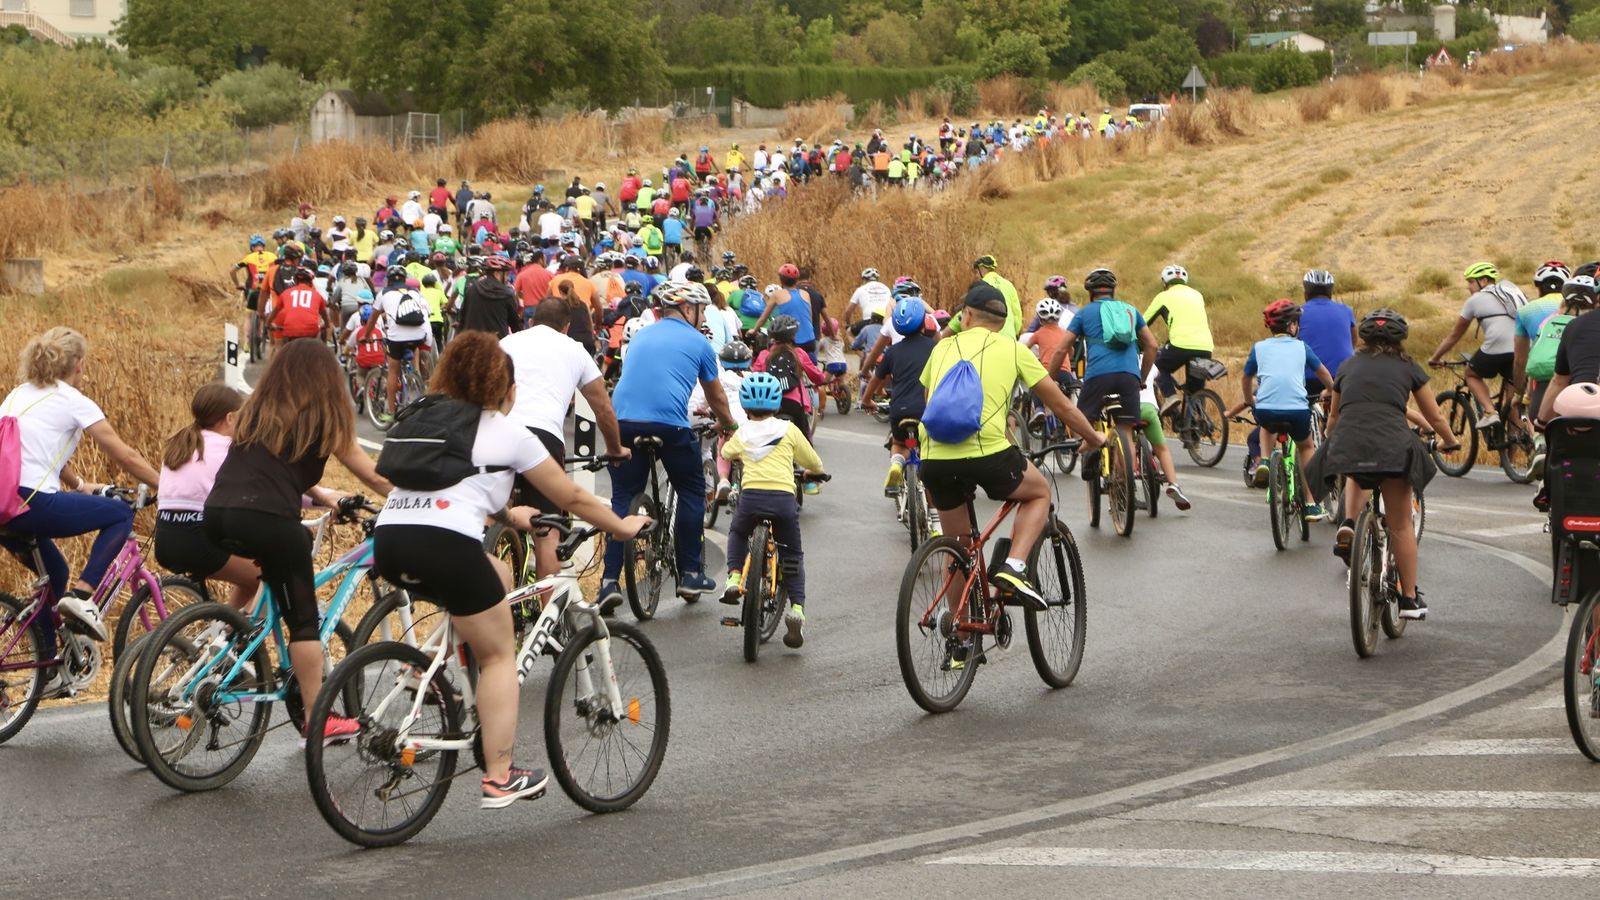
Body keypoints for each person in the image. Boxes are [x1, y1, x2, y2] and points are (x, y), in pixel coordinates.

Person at [373, 331, 648, 808]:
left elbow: (456, 487)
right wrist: (621, 528)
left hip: (392, 541)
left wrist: (505, 515)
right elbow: (574, 496)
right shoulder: (507, 431)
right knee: (501, 655)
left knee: (498, 575)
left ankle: (430, 672)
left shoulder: (428, 419)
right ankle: (499, 776)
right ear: (503, 386)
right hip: (446, 545)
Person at [204, 340, 392, 740]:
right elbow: (372, 476)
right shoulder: (325, 419)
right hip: (270, 519)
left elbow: (268, 469)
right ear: (327, 378)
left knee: (274, 578)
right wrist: (411, 498)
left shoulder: (254, 411)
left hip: (218, 511)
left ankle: (226, 651)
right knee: (303, 623)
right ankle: (316, 716)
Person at [921, 283, 1102, 611]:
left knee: (958, 549)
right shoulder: (1013, 349)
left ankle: (960, 641)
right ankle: (1014, 566)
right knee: (1039, 492)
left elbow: (929, 405)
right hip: (987, 453)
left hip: (934, 459)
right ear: (1003, 322)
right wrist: (1093, 437)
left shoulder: (940, 349)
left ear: (967, 315)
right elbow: (1061, 406)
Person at [0, 328, 163, 689]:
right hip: (31, 502)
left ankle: (46, 668)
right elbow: (123, 453)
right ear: (78, 364)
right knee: (120, 513)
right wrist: (164, 486)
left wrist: (78, 485)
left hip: (4, 508)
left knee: (54, 574)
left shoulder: (18, 395)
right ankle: (84, 596)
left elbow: (29, 452)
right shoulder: (73, 400)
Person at [1307, 310, 1460, 620]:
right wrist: (1450, 441)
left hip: (1349, 441)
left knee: (1356, 469)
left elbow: (1334, 418)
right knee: (1401, 524)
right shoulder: (1408, 367)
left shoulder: (1347, 366)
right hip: (1392, 445)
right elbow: (1435, 417)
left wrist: (1330, 437)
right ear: (1400, 339)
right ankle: (1408, 599)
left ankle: (1349, 522)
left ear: (1363, 337)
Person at [598, 281, 738, 609]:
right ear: (689, 309)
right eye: (701, 310)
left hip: (624, 424)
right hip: (670, 426)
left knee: (622, 500)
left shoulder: (643, 334)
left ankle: (608, 584)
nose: (701, 316)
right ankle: (690, 574)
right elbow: (716, 395)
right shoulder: (699, 342)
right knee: (690, 490)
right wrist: (728, 424)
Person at [500, 296, 628, 578]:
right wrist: (615, 448)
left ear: (530, 322)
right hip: (543, 437)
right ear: (567, 327)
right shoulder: (575, 350)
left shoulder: (507, 343)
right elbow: (602, 407)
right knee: (547, 534)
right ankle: (549, 618)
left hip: (498, 432)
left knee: (492, 517)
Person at [719, 372, 824, 649]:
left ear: (744, 406)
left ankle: (734, 577)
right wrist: (815, 472)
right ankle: (797, 609)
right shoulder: (788, 430)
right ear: (777, 404)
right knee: (792, 553)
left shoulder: (743, 432)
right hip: (783, 500)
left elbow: (727, 453)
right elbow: (813, 460)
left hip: (751, 498)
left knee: (738, 532)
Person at [1046, 268, 1159, 484]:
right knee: (1125, 430)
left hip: (1098, 376)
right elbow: (1152, 345)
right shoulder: (1130, 310)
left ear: (1090, 292)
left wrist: (1049, 378)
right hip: (1129, 376)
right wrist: (1141, 379)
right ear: (1113, 291)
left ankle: (1093, 446)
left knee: (1082, 421)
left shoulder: (1084, 313)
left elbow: (1061, 350)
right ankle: (1123, 486)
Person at [1225, 300, 1335, 520]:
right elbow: (1323, 373)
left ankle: (1265, 461)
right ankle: (1312, 504)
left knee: (1265, 424)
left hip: (1267, 408)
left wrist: (1249, 400)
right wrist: (1331, 391)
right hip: (1296, 409)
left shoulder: (1259, 347)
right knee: (1306, 447)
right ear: (1292, 326)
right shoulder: (1302, 347)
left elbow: (1246, 377)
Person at [154, 384, 259, 612]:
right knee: (275, 575)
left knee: (251, 579)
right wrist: (326, 499)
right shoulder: (230, 449)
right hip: (198, 540)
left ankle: (227, 634)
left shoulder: (180, 443)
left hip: (165, 539)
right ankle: (242, 639)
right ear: (230, 418)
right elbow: (271, 488)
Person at [1428, 261, 1528, 430]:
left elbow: (1455, 335)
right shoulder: (1512, 294)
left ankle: (1489, 412)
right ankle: (1515, 450)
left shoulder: (1475, 300)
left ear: (1482, 281)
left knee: (1471, 374)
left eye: (1470, 281)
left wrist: (1435, 357)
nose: (1468, 287)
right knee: (1513, 407)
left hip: (1496, 348)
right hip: (1523, 350)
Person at [863, 297, 936, 495]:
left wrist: (866, 400)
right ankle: (935, 519)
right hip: (927, 411)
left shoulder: (893, 352)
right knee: (930, 452)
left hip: (900, 410)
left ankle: (896, 463)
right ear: (923, 323)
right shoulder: (934, 348)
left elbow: (876, 380)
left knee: (898, 442)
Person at [361, 264, 437, 421]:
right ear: (405, 279)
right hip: (419, 336)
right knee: (413, 346)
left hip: (396, 338)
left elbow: (373, 319)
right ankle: (415, 375)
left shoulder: (384, 293)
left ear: (388, 280)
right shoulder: (415, 292)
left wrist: (366, 335)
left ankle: (390, 411)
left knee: (393, 371)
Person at [1143, 264, 1214, 413]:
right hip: (1205, 347)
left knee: (1158, 367)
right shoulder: (1197, 294)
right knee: (1195, 388)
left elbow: (1142, 323)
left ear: (1164, 282)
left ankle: (1170, 397)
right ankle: (1196, 424)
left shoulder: (1163, 296)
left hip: (1180, 345)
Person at [753, 315, 826, 452]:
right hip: (793, 405)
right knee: (805, 443)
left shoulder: (764, 355)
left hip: (768, 404)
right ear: (793, 336)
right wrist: (821, 379)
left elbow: (755, 376)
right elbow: (817, 376)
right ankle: (811, 470)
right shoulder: (798, 353)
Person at [1514, 261, 1572, 415]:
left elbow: (1520, 359)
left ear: (1539, 287)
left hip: (1542, 372)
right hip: (1571, 371)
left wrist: (1518, 392)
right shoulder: (1573, 307)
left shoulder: (1525, 311)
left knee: (1535, 419)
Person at [947, 255, 1022, 339]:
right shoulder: (1009, 285)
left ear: (981, 269)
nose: (976, 276)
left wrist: (951, 327)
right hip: (1009, 337)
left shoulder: (981, 286)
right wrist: (1014, 332)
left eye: (976, 272)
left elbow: (968, 310)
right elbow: (1017, 314)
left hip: (986, 337)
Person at [752, 263, 817, 357]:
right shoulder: (805, 294)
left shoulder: (777, 295)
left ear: (781, 280)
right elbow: (809, 318)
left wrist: (754, 331)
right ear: (797, 280)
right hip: (810, 340)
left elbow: (763, 318)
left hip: (792, 341)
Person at [457, 255, 521, 337]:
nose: (508, 278)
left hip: (472, 342)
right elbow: (515, 325)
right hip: (496, 344)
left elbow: (462, 318)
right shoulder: (507, 294)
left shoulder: (472, 289)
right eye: (506, 274)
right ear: (497, 273)